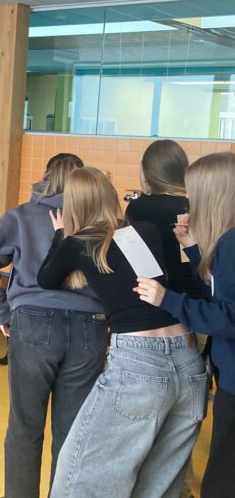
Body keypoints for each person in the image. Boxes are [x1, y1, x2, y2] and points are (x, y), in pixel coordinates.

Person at [36, 167, 207, 498]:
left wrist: (59, 234)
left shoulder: (76, 241)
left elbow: (46, 279)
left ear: (73, 204)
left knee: (79, 476)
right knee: (158, 484)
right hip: (189, 360)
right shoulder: (145, 231)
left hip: (139, 363)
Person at [0, 153, 104, 498]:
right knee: (72, 431)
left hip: (33, 322)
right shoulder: (100, 220)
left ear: (45, 178)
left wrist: (0, 311)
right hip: (90, 327)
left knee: (25, 426)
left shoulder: (22, 216)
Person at [134, 152, 235, 498]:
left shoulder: (231, 243)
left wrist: (168, 299)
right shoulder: (227, 241)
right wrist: (193, 250)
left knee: (222, 479)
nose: (189, 199)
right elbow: (219, 291)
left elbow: (227, 316)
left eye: (193, 193)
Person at [126, 139, 199, 295]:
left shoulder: (138, 207)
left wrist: (146, 186)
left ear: (146, 169)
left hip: (154, 293)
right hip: (196, 292)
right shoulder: (194, 205)